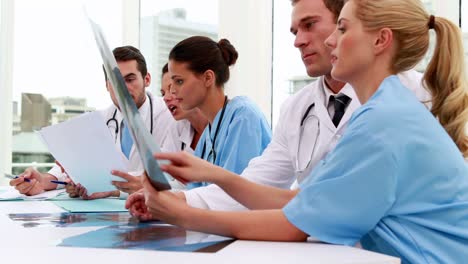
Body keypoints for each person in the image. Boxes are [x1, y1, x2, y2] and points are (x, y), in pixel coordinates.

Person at [137, 0, 468, 263]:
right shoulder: (383, 110)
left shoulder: (386, 120)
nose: (330, 40)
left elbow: (294, 225)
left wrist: (183, 215)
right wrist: (217, 176)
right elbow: (305, 203)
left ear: (381, 40)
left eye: (341, 27)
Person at [126, 0, 429, 212]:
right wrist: (178, 202)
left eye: (310, 25)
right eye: (295, 31)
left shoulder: (414, 98)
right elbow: (255, 186)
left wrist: (185, 205)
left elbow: (311, 205)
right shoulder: (296, 108)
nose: (299, 41)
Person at [10, 46, 174, 199]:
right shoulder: (100, 120)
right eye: (115, 82)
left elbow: (169, 175)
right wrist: (45, 180)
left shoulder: (169, 115)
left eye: (130, 79)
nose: (122, 88)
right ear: (106, 85)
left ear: (147, 79)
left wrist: (111, 189)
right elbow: (74, 164)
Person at [166, 36, 272, 188]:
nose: (173, 90)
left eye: (179, 81)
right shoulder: (208, 135)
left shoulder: (243, 116)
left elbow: (235, 194)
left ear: (208, 78)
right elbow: (194, 191)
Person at [159, 63, 208, 153]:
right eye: (163, 93)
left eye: (171, 88)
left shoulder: (229, 122)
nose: (165, 98)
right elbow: (162, 164)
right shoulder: (178, 126)